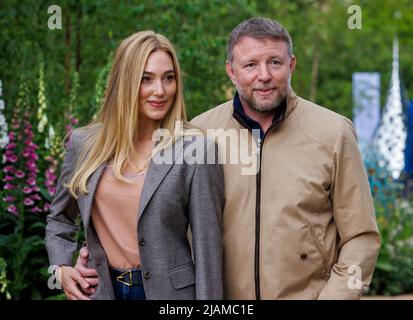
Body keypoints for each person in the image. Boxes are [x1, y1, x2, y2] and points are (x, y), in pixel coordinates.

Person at [75, 17, 381, 300]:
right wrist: (95, 254)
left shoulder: (332, 133)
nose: (264, 76)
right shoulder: (197, 134)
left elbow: (361, 236)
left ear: (292, 65)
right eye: (250, 65)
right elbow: (152, 217)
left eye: (275, 62)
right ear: (231, 71)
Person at [45, 30, 224, 300]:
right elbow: (59, 219)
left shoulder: (196, 150)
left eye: (169, 78)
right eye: (146, 79)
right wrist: (59, 270)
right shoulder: (85, 144)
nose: (160, 91)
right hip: (100, 290)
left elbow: (207, 250)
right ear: (124, 82)